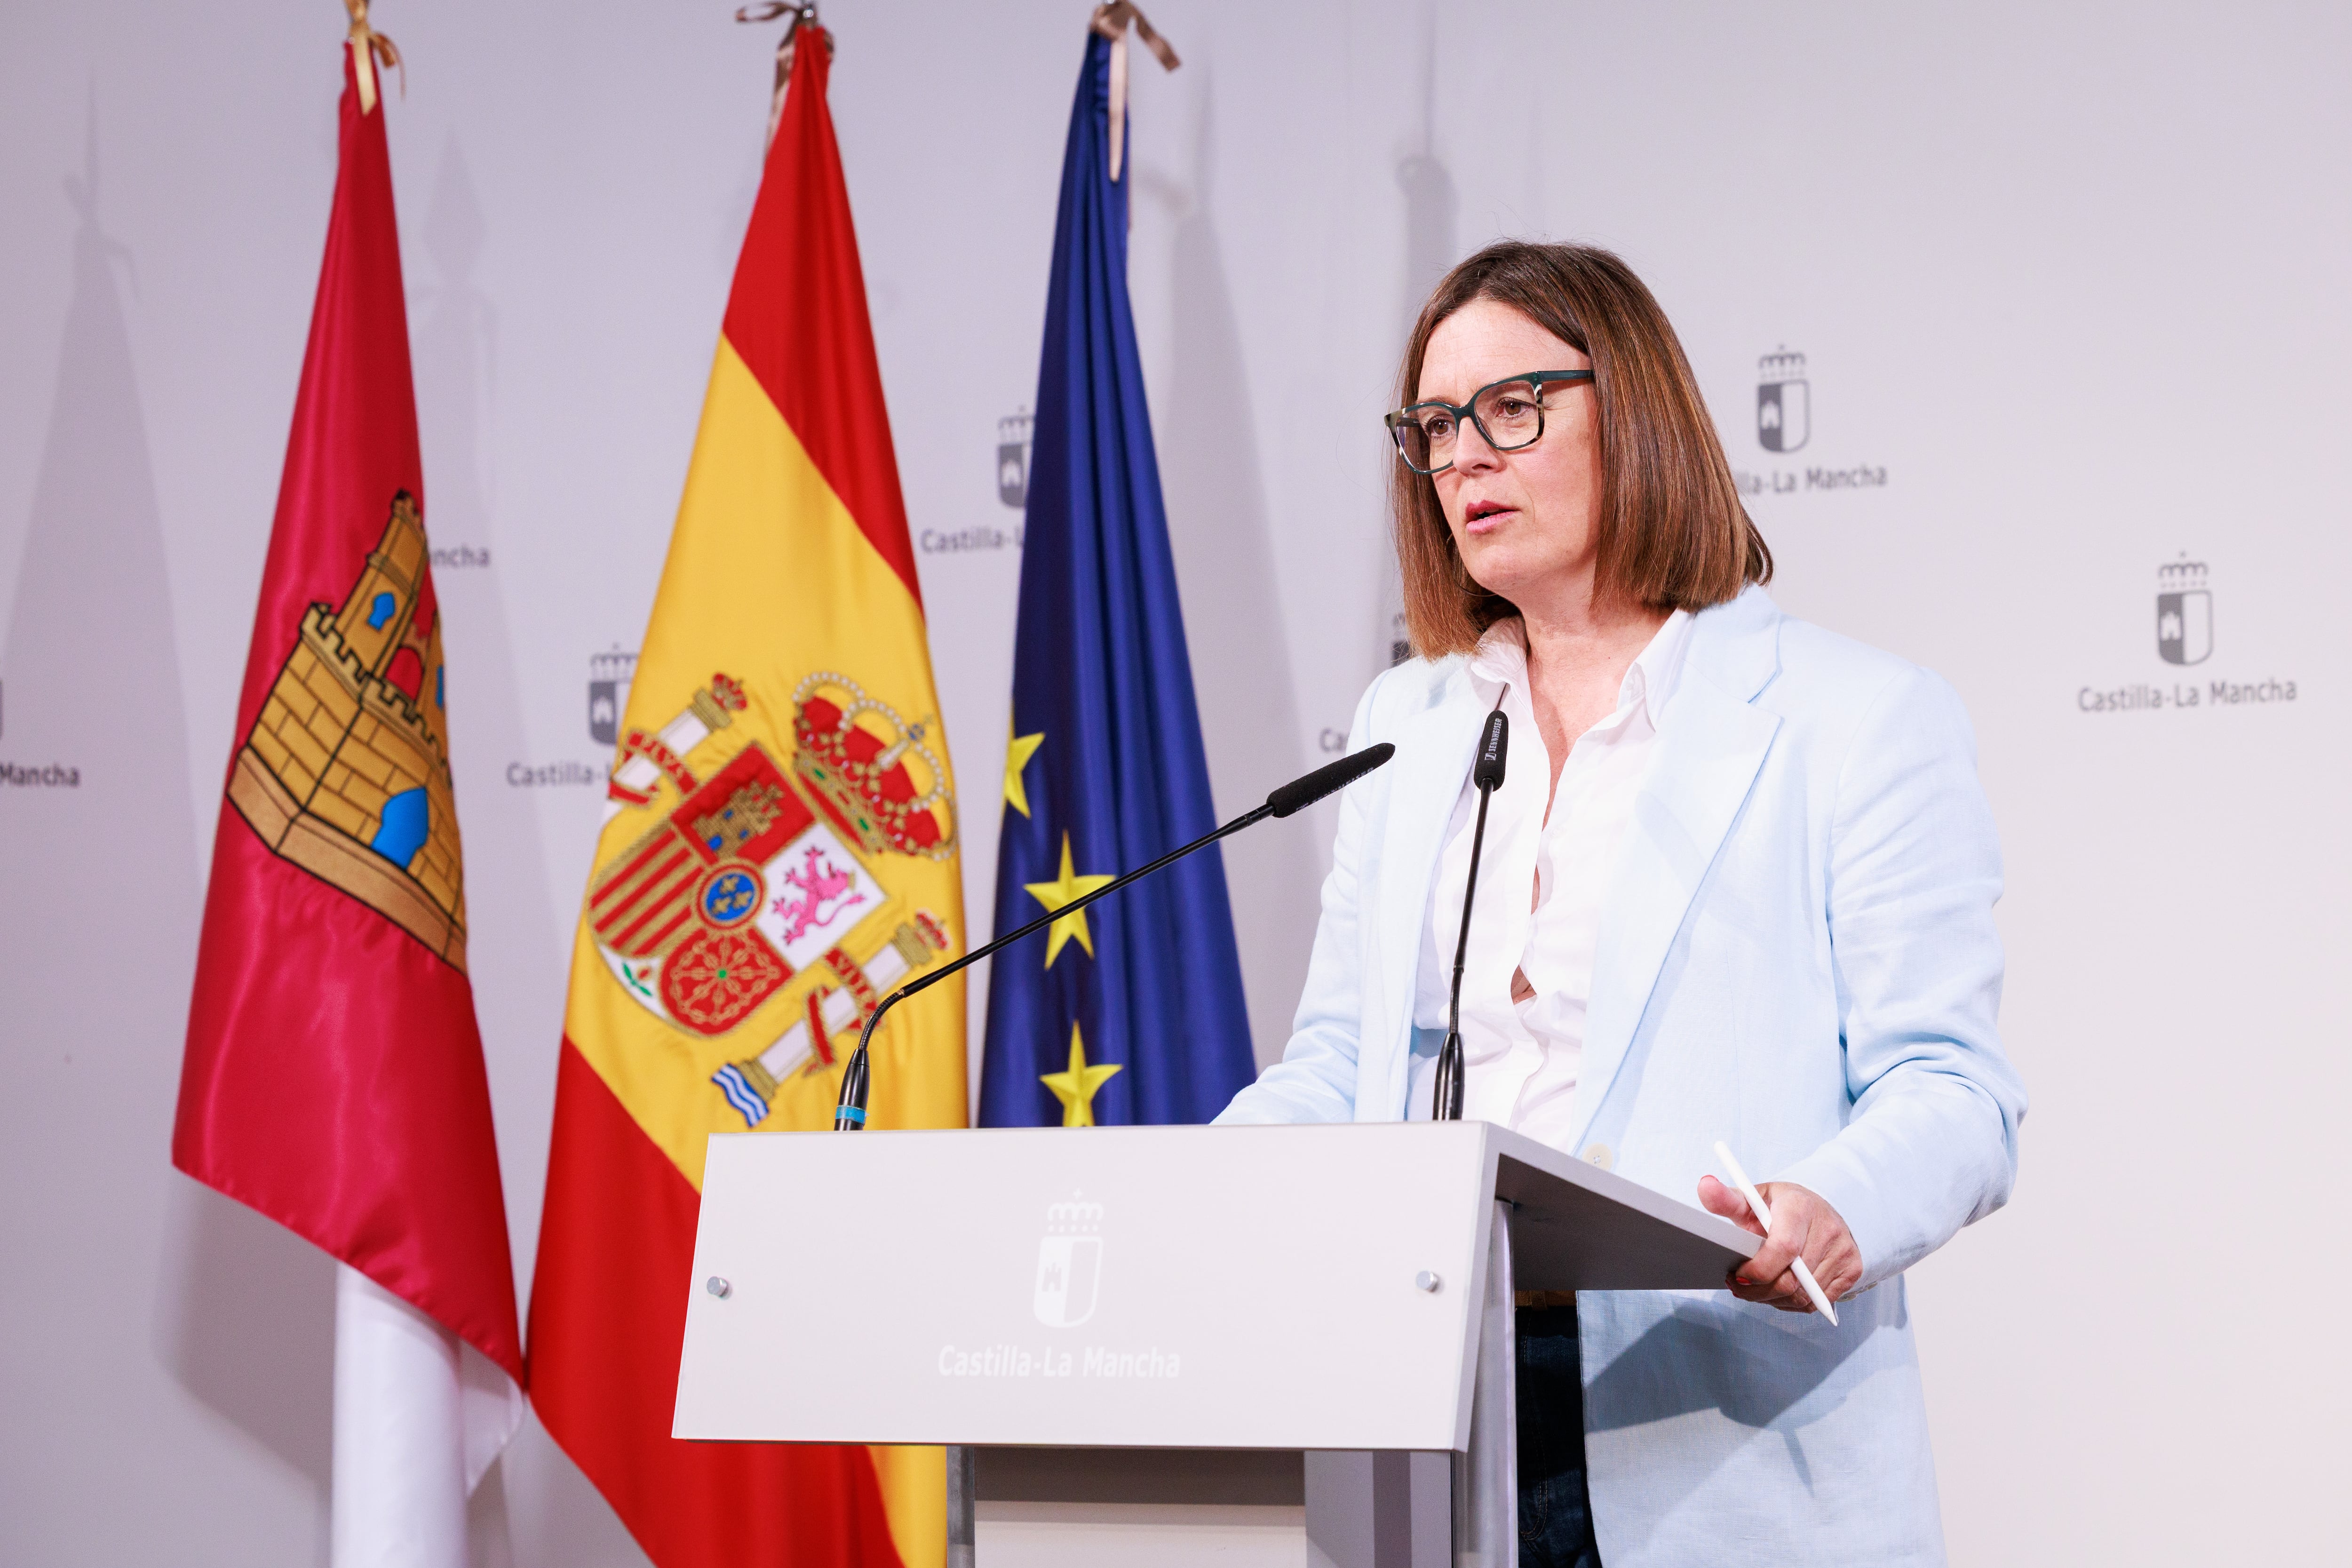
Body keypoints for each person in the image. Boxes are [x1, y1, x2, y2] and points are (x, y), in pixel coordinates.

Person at [1214, 241, 2026, 1567]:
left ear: (1633, 407)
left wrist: (1827, 1205)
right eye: (1433, 427)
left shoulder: (1856, 721)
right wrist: (1183, 1192)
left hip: (1715, 1418)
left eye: (1510, 409)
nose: (1464, 456)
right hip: (1429, 1400)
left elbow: (1955, 1089)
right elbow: (1346, 1065)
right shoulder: (1407, 728)